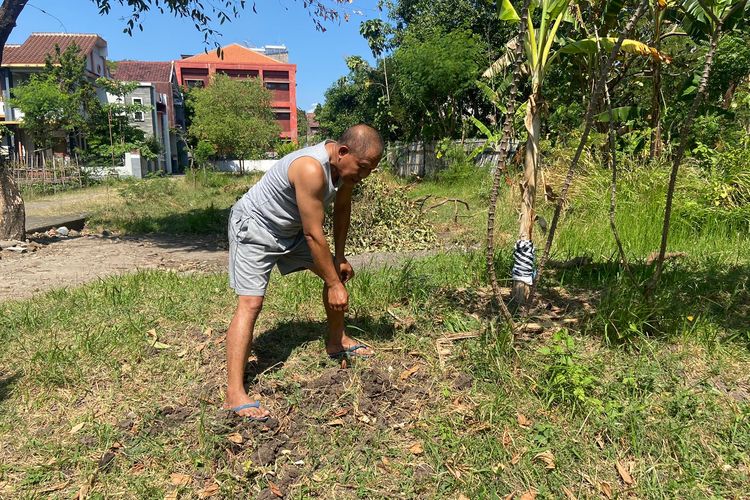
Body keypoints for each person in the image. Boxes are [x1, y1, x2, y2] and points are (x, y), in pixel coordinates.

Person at [224, 124, 384, 420]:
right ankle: (234, 393)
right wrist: (334, 282)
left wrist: (339, 258)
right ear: (343, 151)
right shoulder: (310, 168)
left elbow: (342, 210)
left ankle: (336, 342)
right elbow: (313, 234)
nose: (363, 176)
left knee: (334, 273)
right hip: (255, 228)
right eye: (362, 168)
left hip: (292, 229)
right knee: (251, 303)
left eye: (369, 170)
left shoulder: (346, 170)